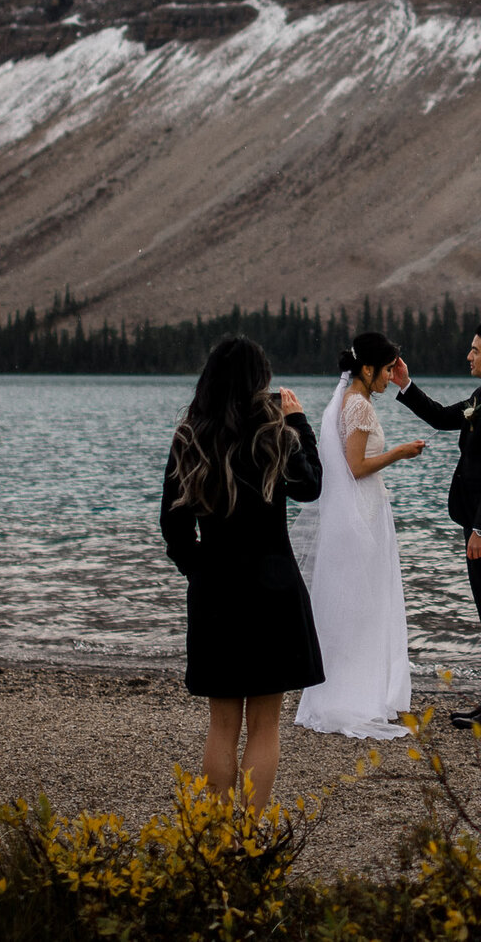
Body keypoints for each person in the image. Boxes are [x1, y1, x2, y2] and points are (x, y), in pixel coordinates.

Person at [159, 336, 324, 805]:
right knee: (265, 724)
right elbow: (311, 487)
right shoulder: (276, 433)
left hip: (217, 592)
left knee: (222, 723)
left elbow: (173, 527)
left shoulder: (190, 435)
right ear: (259, 382)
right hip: (274, 589)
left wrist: (200, 571)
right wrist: (299, 421)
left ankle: (213, 837)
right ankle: (252, 838)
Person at [396, 316, 481, 730]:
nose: (468, 355)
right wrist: (405, 384)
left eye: (475, 350)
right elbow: (440, 417)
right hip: (480, 521)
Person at [294, 333, 430, 740]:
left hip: (360, 511)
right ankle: (355, 695)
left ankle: (350, 688)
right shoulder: (358, 405)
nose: (390, 377)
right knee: (363, 602)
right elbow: (354, 466)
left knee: (356, 601)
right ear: (367, 369)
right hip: (362, 512)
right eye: (387, 369)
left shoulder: (351, 400)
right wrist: (400, 453)